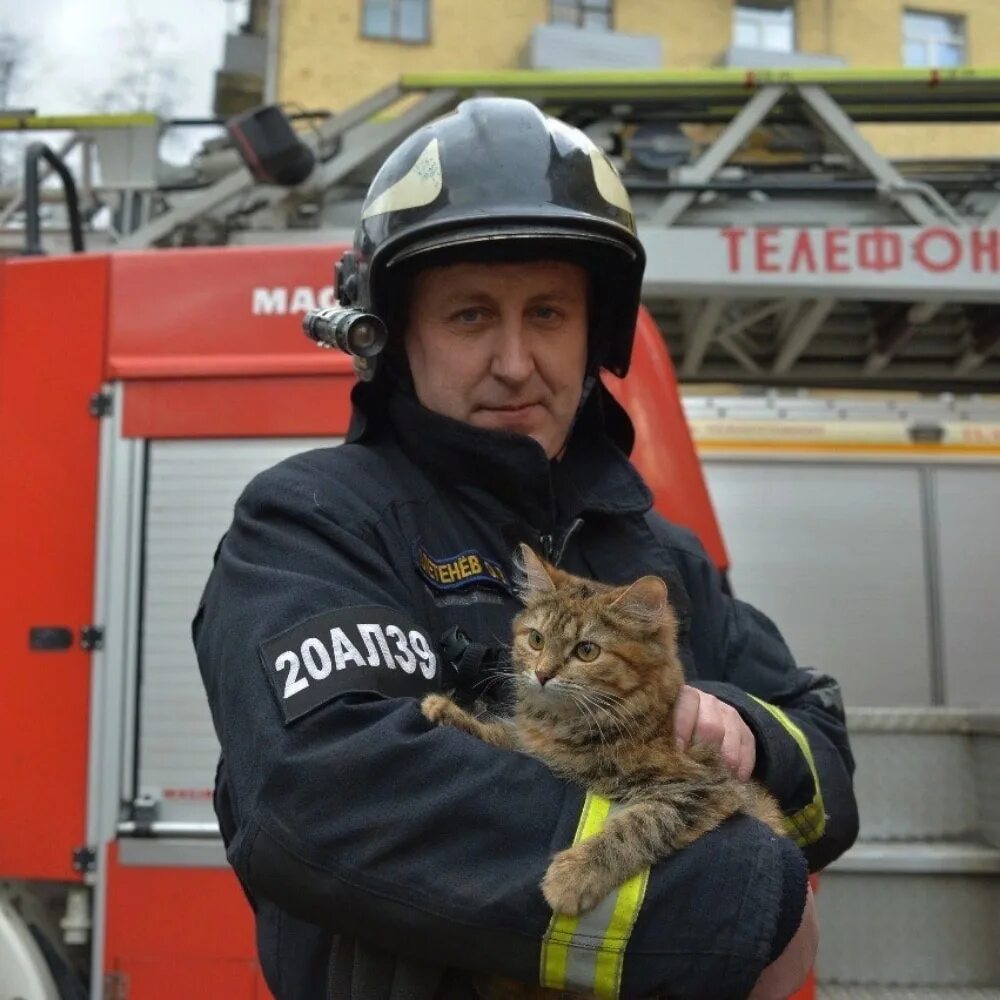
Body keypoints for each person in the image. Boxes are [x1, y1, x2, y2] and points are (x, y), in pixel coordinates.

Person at [193, 97, 858, 1000]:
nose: (515, 361)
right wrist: (740, 903)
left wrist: (741, 729)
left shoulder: (659, 552)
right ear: (395, 337)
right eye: (470, 317)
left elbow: (822, 760)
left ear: (596, 334)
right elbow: (331, 797)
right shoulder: (317, 521)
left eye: (547, 313)